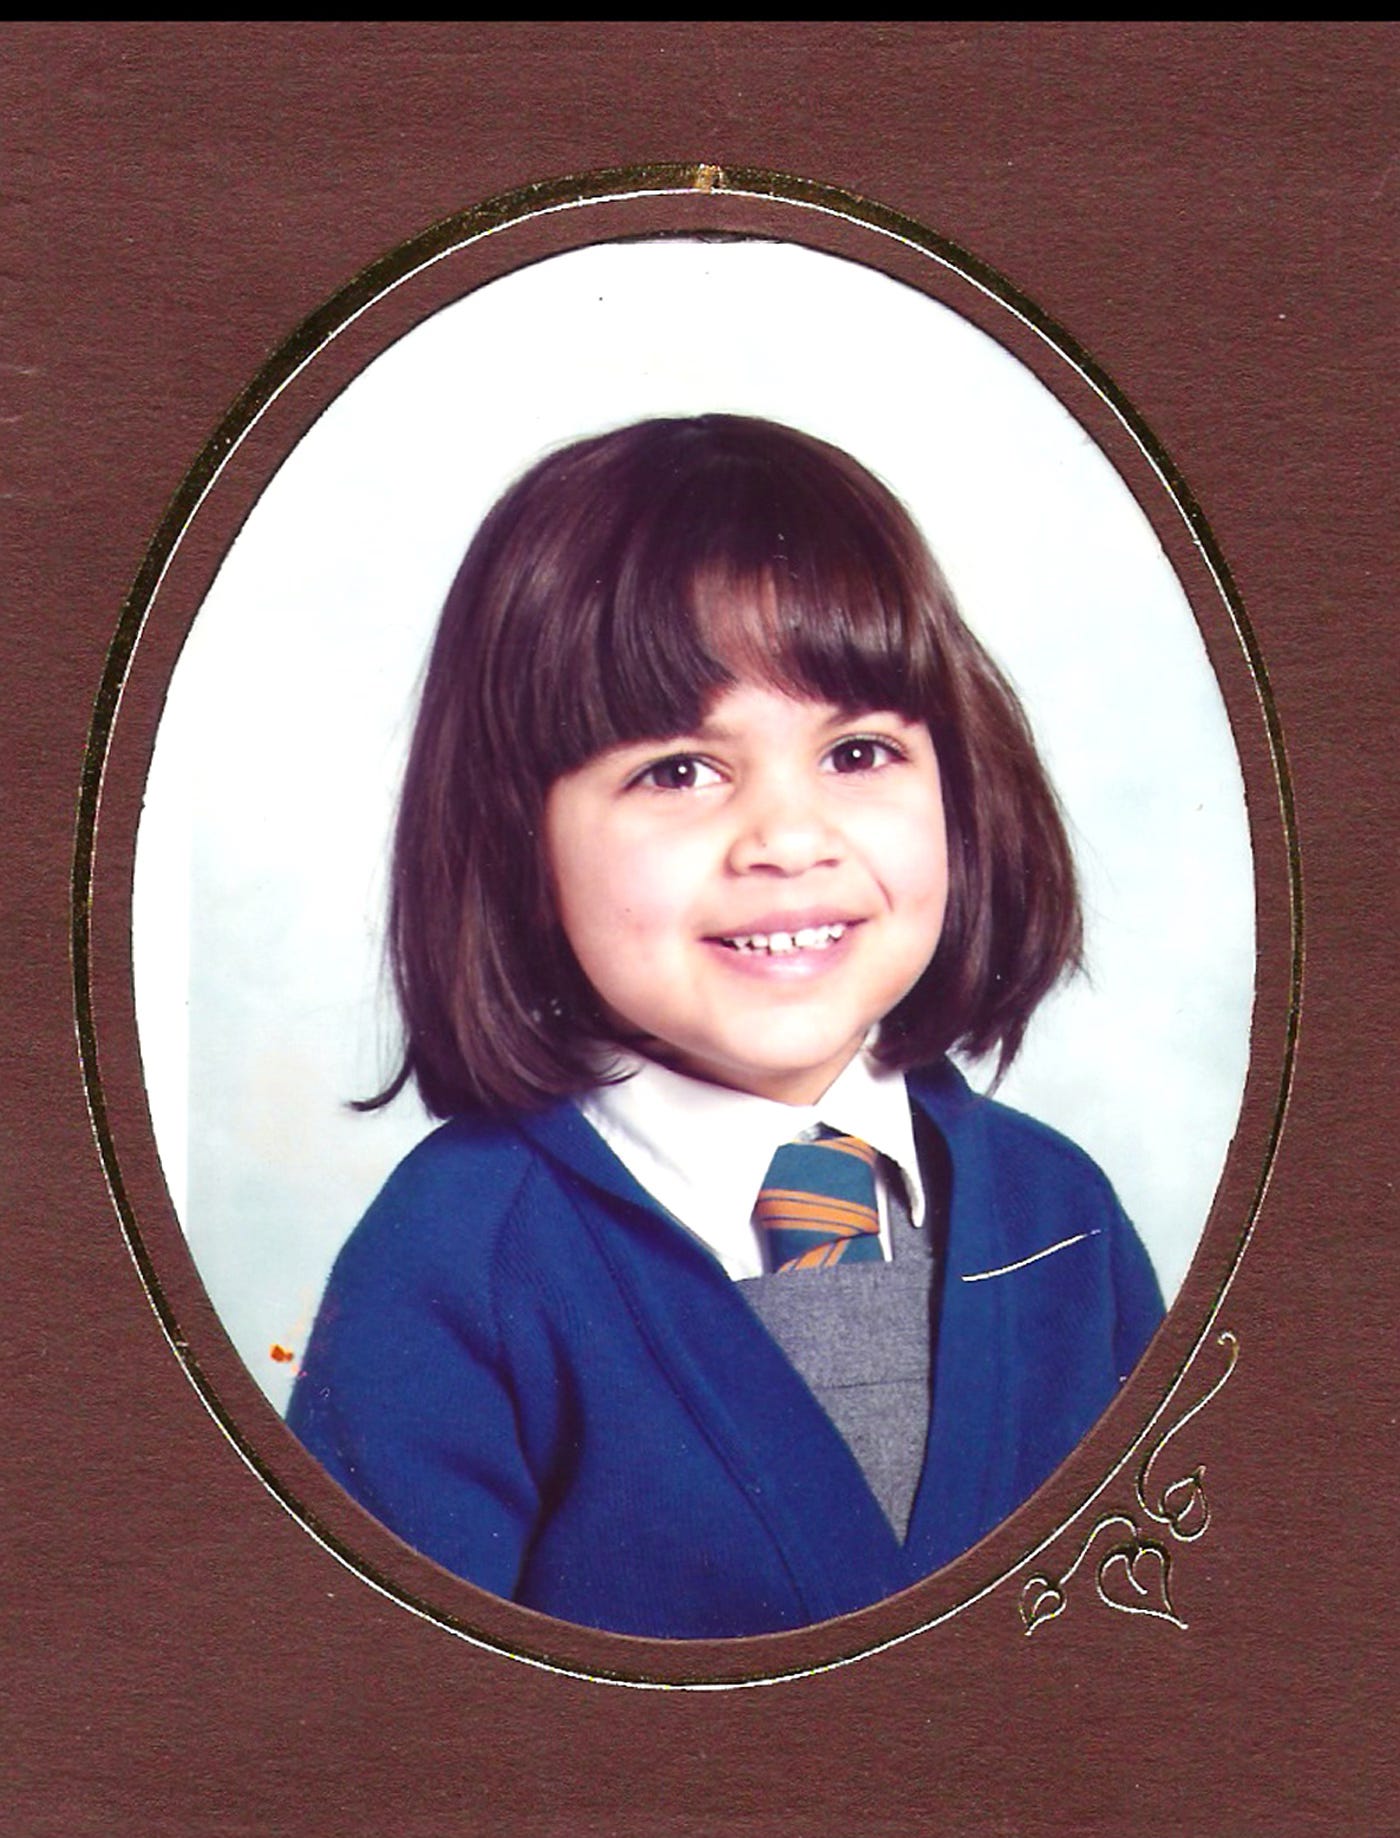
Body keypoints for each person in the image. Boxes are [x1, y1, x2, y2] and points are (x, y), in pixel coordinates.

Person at [287, 414, 1163, 1640]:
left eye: (857, 750)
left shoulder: (1059, 1214)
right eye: (680, 770)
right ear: (517, 844)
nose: (791, 840)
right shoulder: (454, 1266)